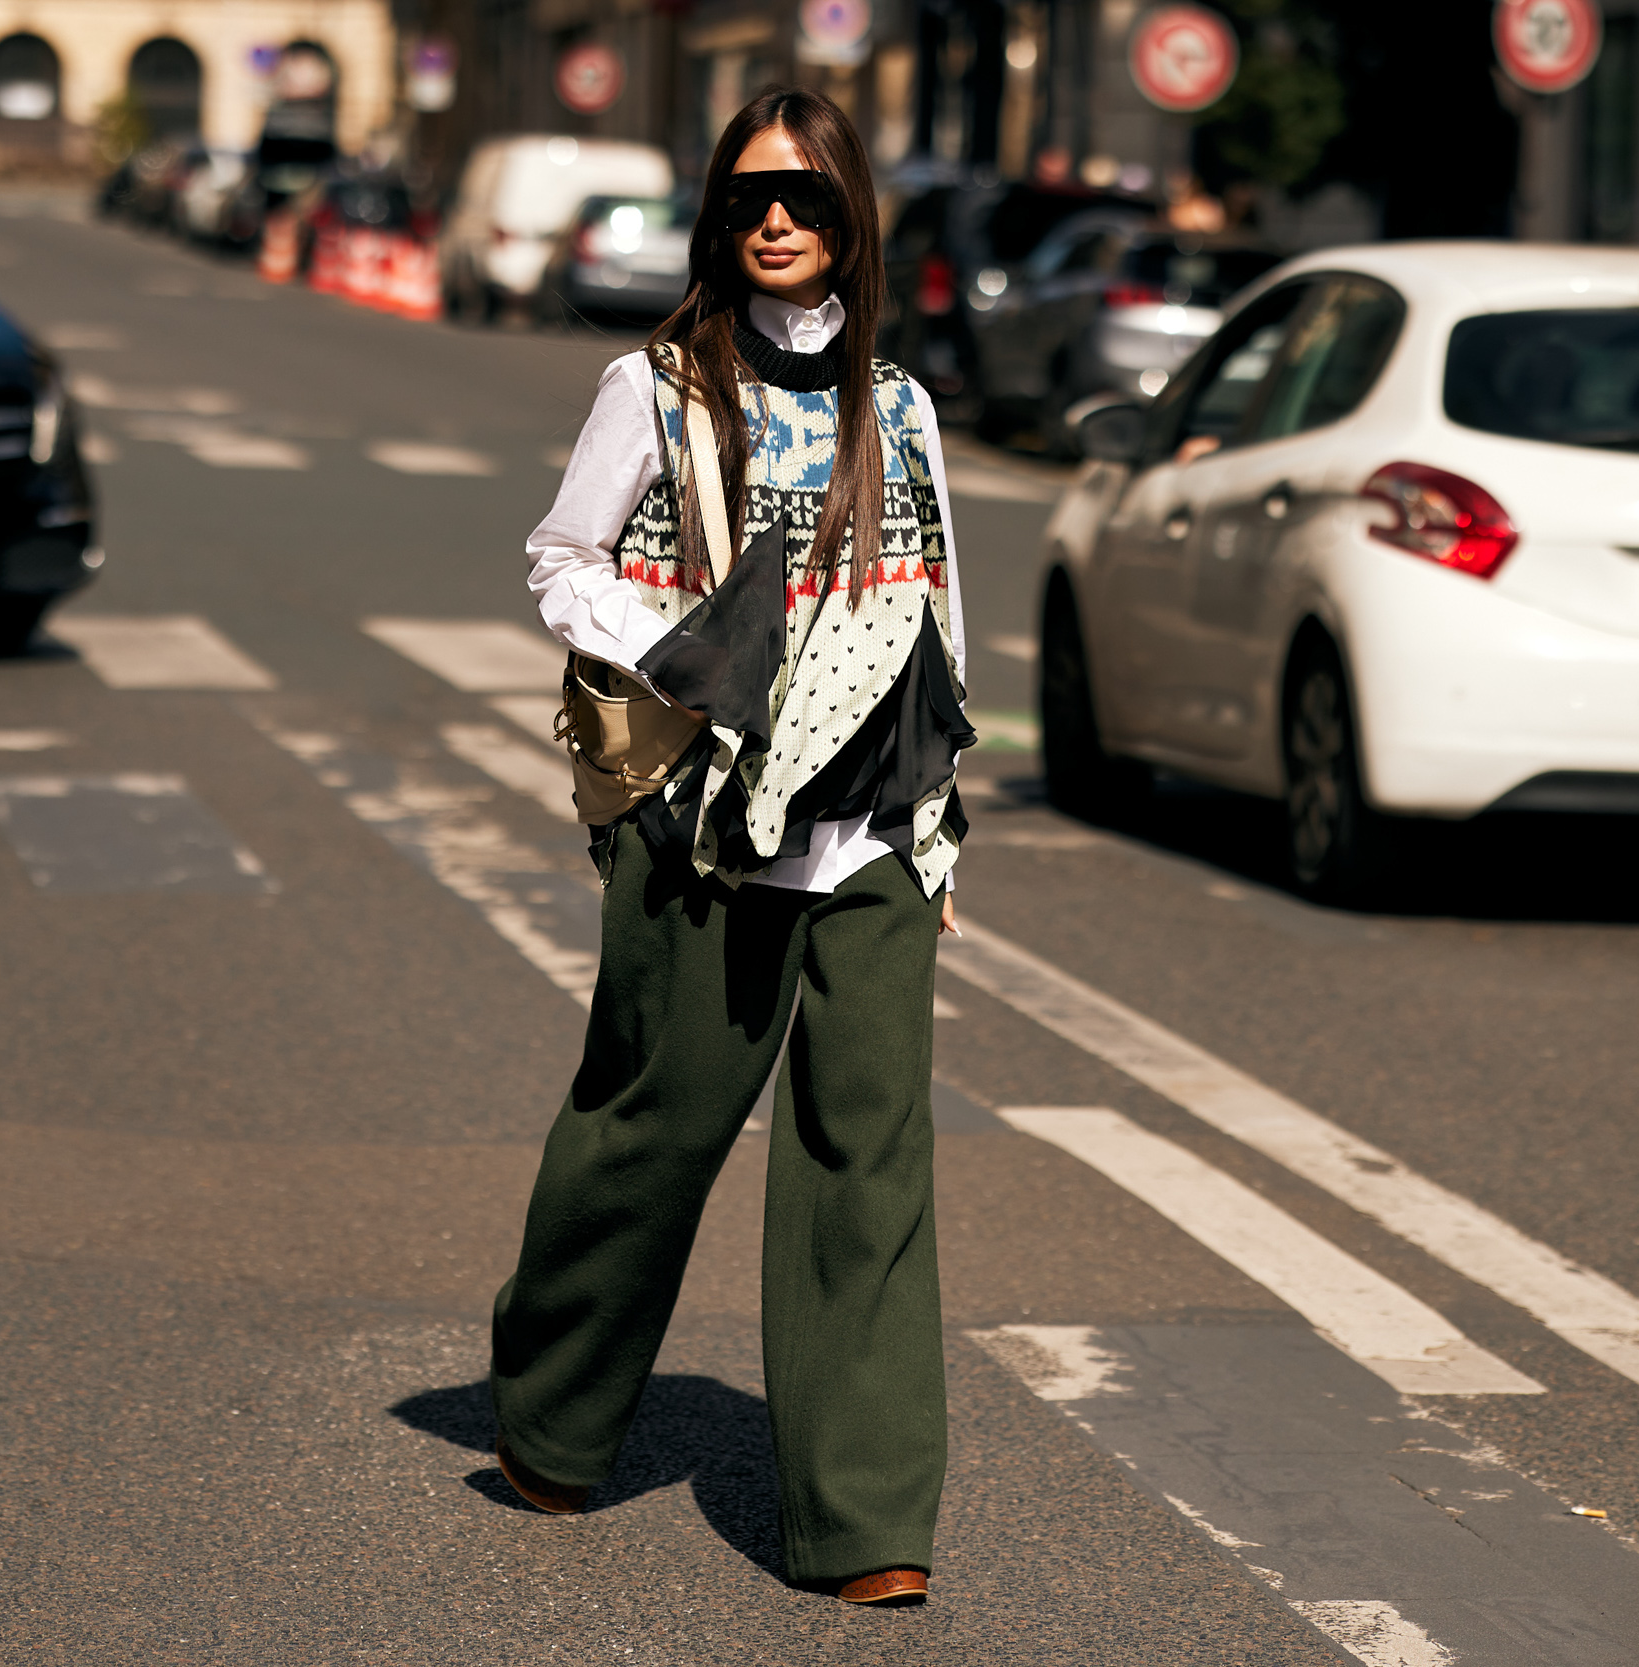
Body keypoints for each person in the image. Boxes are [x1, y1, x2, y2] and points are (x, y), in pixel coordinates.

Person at [492, 85, 974, 1607]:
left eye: (812, 200)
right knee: (653, 1127)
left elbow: (940, 609)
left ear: (852, 224)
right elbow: (561, 560)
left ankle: (867, 1520)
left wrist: (942, 834)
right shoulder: (656, 387)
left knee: (869, 1165)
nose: (780, 220)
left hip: (872, 836)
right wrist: (694, 650)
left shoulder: (900, 404)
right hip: (702, 823)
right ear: (719, 216)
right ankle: (555, 1419)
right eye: (753, 196)